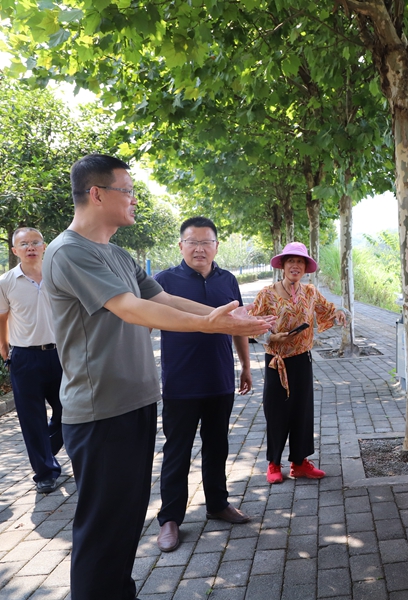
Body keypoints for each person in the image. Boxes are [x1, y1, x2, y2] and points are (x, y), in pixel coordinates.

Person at [43, 154, 273, 600]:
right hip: (99, 411)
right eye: (126, 190)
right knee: (102, 530)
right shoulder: (69, 251)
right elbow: (132, 309)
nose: (133, 200)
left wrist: (229, 319)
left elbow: (164, 298)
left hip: (136, 402)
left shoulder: (116, 253)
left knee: (125, 524)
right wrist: (214, 325)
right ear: (96, 194)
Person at [154, 216, 253, 553]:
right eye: (192, 242)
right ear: (180, 245)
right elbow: (144, 326)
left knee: (217, 446)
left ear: (216, 246)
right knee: (176, 452)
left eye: (206, 242)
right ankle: (169, 519)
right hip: (180, 383)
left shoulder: (229, 280)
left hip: (219, 380)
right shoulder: (163, 281)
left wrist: (245, 367)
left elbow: (238, 326)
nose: (199, 248)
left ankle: (218, 503)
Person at [249, 241, 346, 484]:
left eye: (300, 262)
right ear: (282, 265)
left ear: (305, 268)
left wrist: (340, 313)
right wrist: (270, 337)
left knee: (302, 412)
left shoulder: (311, 292)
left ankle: (300, 462)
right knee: (276, 412)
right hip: (276, 362)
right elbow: (250, 326)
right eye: (291, 261)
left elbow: (328, 310)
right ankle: (273, 463)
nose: (295, 265)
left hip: (302, 360)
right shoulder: (267, 294)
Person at [0, 227, 64, 493]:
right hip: (25, 357)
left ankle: (44, 453)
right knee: (31, 417)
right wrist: (4, 349)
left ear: (44, 246)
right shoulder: (5, 282)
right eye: (24, 244)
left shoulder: (59, 275)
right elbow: (1, 319)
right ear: (15, 250)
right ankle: (45, 472)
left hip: (61, 354)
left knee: (68, 411)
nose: (30, 247)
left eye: (35, 242)